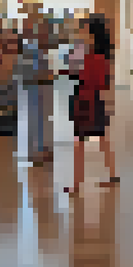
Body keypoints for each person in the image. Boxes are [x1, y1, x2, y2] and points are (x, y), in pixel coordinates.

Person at [67, 15, 118, 195]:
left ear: (92, 34)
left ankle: (76, 183)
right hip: (93, 100)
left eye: (84, 30)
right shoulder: (100, 56)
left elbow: (80, 75)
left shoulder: (92, 58)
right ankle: (112, 176)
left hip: (87, 100)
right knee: (101, 139)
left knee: (79, 142)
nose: (81, 33)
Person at [20, 13, 56, 165]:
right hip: (36, 88)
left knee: (45, 119)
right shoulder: (31, 48)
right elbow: (29, 72)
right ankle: (35, 151)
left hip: (44, 87)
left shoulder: (43, 49)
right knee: (36, 120)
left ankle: (44, 148)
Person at [0, 30, 22, 140]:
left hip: (16, 116)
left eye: (13, 41)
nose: (10, 45)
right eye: (7, 41)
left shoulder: (22, 63)